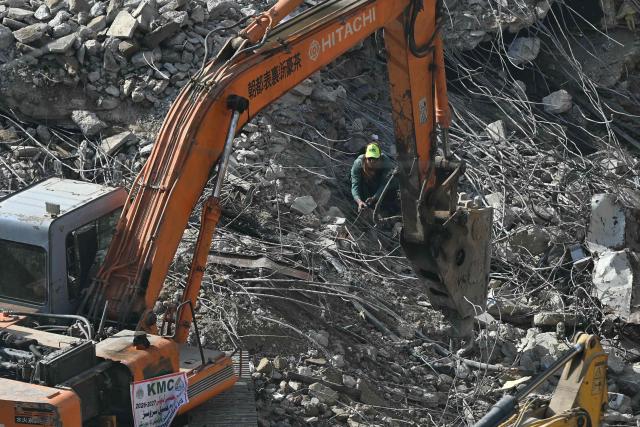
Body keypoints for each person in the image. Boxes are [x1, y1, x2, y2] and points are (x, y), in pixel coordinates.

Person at [350, 141, 395, 213]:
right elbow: (355, 185)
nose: (372, 161)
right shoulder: (358, 163)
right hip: (366, 187)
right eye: (369, 158)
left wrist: (374, 198)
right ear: (365, 157)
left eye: (375, 158)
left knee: (394, 182)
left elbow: (384, 184)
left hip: (380, 186)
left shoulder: (386, 163)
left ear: (380, 157)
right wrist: (359, 201)